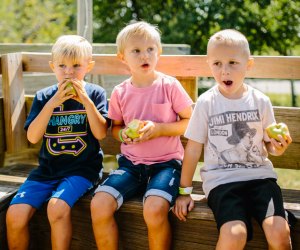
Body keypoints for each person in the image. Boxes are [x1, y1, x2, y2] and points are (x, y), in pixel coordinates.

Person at [173, 29, 294, 250]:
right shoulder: (206, 102)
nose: (224, 71)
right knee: (234, 234)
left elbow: (269, 147)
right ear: (208, 64)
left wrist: (279, 146)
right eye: (217, 64)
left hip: (261, 179)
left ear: (248, 64)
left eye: (232, 63)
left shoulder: (261, 101)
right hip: (222, 183)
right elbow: (192, 149)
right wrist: (184, 192)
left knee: (279, 232)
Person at [90, 21, 193, 250]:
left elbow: (189, 122)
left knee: (154, 208)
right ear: (122, 57)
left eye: (150, 49)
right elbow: (115, 128)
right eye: (136, 51)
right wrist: (124, 135)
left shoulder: (169, 85)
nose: (144, 55)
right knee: (99, 205)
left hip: (167, 165)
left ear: (159, 52)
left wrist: (159, 129)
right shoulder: (120, 92)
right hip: (130, 166)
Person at [6, 35, 110, 250]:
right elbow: (33, 137)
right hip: (46, 170)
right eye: (62, 66)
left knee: (56, 208)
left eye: (76, 66)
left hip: (82, 170)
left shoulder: (95, 93)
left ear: (88, 66)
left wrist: (86, 102)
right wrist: (53, 103)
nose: (69, 72)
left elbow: (100, 133)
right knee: (14, 215)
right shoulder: (45, 97)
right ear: (53, 67)